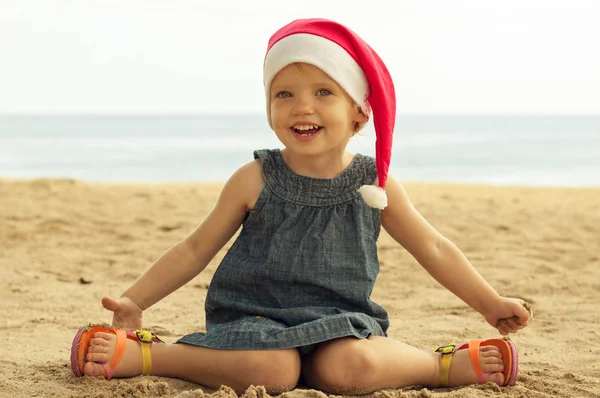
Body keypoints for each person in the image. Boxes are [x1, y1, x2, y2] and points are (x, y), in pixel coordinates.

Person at [70, 18, 532, 395]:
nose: (301, 107)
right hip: (254, 320)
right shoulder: (256, 178)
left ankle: (439, 366)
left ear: (359, 113)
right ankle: (152, 354)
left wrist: (489, 301)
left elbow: (432, 246)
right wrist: (135, 300)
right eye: (284, 94)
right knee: (273, 372)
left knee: (352, 368)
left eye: (323, 92)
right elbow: (195, 249)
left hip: (340, 323)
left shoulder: (373, 183)